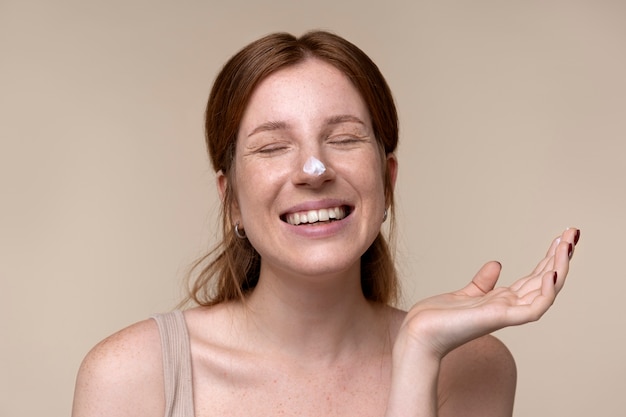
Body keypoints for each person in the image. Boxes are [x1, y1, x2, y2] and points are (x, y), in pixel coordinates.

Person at [71, 30, 580, 417]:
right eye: (272, 147)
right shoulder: (129, 377)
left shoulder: (472, 366)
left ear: (388, 182)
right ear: (230, 202)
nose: (313, 171)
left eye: (343, 138)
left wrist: (419, 354)